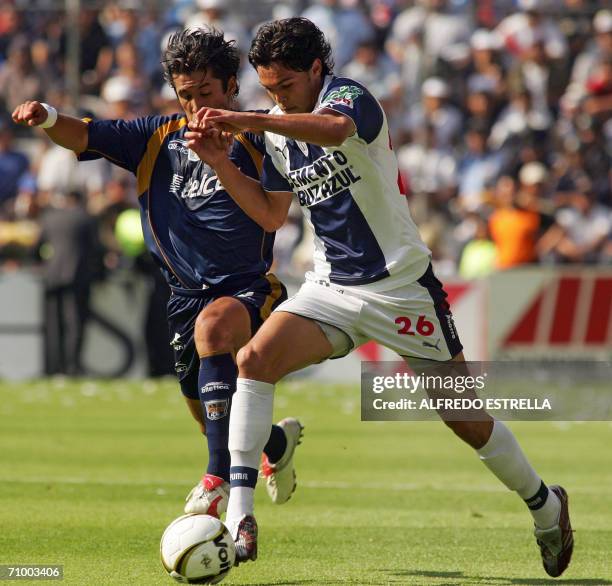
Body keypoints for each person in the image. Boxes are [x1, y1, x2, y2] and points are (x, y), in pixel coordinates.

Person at [186, 18, 573, 577]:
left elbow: (336, 130)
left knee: (465, 419)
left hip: (401, 290)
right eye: (267, 89)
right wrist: (222, 162)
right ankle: (242, 518)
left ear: (317, 69)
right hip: (331, 287)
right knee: (253, 360)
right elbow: (272, 213)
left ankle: (546, 505)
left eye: (285, 86)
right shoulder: (275, 126)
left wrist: (246, 119)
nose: (275, 98)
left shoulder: (350, 98)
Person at [12, 27, 303, 518]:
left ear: (231, 85)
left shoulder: (262, 138)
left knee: (214, 331)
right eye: (185, 96)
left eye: (206, 93)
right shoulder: (153, 137)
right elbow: (81, 134)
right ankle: (274, 443)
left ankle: (216, 481)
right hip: (182, 297)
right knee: (211, 411)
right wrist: (47, 118)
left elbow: (273, 217)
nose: (195, 107)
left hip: (248, 288)